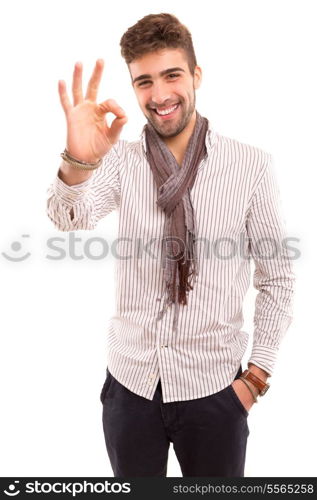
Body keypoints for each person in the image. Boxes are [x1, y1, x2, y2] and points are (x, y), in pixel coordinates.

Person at [46, 13, 295, 477]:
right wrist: (79, 160)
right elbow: (68, 217)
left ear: (196, 75)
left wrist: (255, 378)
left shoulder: (250, 166)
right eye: (144, 81)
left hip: (215, 391)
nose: (159, 96)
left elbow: (278, 278)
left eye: (172, 75)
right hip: (131, 388)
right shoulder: (119, 158)